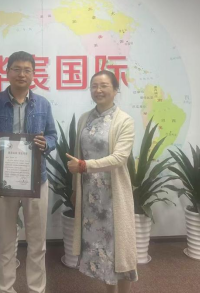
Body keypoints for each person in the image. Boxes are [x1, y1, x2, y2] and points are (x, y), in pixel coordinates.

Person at [0, 51, 58, 293]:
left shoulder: (43, 104)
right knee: (6, 241)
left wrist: (46, 143)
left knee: (37, 242)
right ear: (7, 71)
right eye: (17, 69)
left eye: (27, 70)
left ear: (33, 74)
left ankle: (36, 289)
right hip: (3, 182)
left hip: (36, 180)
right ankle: (6, 288)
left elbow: (53, 135)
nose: (22, 74)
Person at [66, 70, 138, 293]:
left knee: (120, 250)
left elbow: (119, 159)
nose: (98, 90)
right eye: (94, 86)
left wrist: (85, 166)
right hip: (90, 197)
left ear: (115, 90)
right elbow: (78, 154)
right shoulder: (84, 119)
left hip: (114, 196)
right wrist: (75, 189)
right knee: (102, 252)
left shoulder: (124, 120)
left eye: (104, 85)